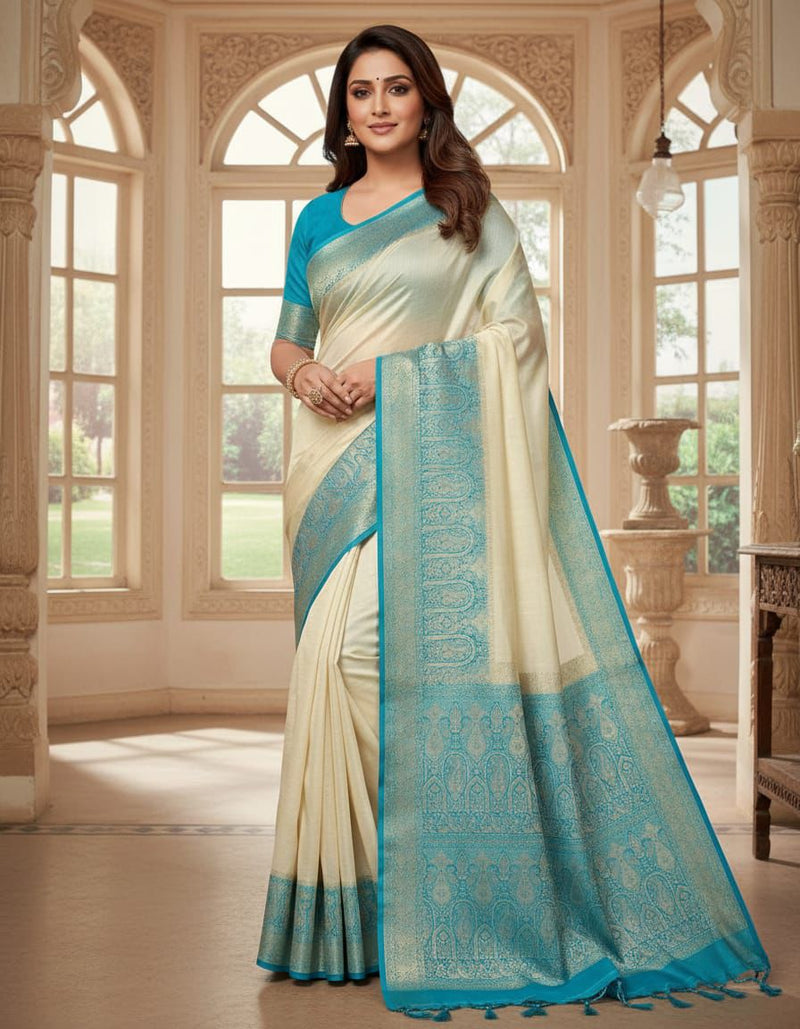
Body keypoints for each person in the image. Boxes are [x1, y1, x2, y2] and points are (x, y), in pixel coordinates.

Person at [257, 24, 779, 1019]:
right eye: (361, 91)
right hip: (328, 471)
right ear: (345, 112)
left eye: (396, 88)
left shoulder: (466, 212)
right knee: (326, 670)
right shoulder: (317, 220)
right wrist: (306, 372)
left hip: (427, 464)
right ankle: (353, 917)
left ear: (425, 101)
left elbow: (514, 341)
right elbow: (284, 339)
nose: (378, 105)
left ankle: (450, 898)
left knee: (357, 659)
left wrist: (388, 375)